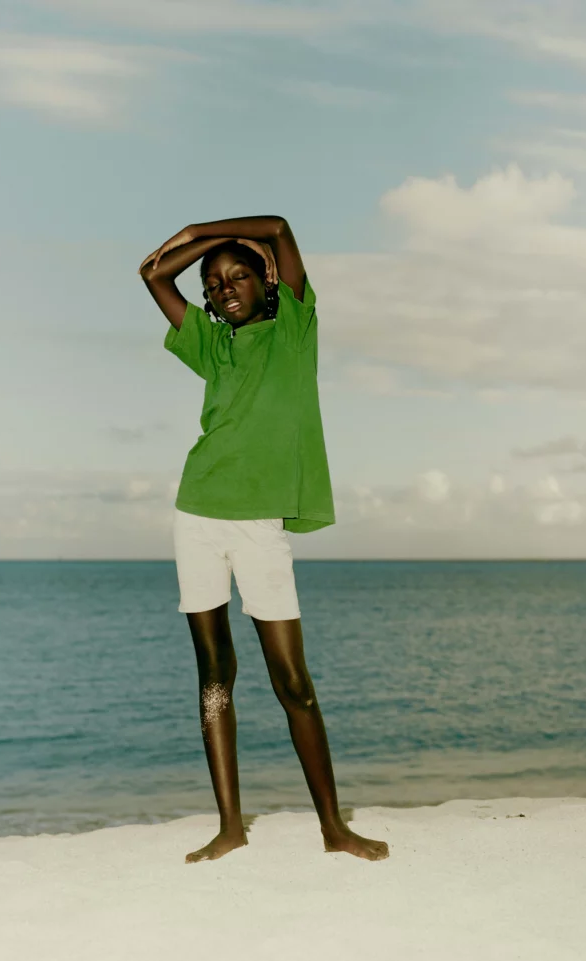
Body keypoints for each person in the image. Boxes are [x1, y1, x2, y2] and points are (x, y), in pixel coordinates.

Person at [138, 215, 389, 864]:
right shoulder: (208, 345)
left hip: (259, 530)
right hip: (196, 516)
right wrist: (194, 251)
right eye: (212, 283)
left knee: (292, 680)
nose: (223, 288)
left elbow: (277, 228)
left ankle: (333, 828)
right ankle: (229, 826)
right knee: (215, 677)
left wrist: (202, 229)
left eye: (237, 275)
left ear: (267, 280)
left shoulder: (294, 331)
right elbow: (150, 274)